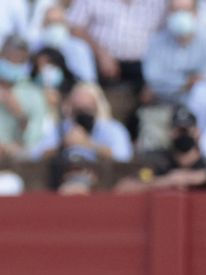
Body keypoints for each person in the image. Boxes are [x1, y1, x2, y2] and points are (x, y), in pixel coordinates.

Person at [115, 103, 206, 191]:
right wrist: (166, 181)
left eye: (187, 130)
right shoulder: (160, 166)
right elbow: (122, 188)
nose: (183, 134)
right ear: (171, 134)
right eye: (179, 130)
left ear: (197, 132)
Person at [31, 80, 131, 162]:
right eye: (78, 109)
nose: (83, 114)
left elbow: (123, 157)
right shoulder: (62, 129)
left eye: (87, 109)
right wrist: (62, 145)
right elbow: (35, 155)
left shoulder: (112, 129)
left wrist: (87, 144)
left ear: (97, 107)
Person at [142, 0, 206, 107]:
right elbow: (154, 79)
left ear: (196, 12)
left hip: (199, 109)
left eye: (185, 10)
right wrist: (186, 82)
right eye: (176, 10)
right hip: (163, 106)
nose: (180, 15)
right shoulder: (156, 42)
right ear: (168, 13)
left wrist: (170, 83)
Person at [0, 35, 50, 164]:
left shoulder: (34, 95)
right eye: (9, 57)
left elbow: (33, 142)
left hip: (13, 163)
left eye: (19, 60)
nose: (13, 62)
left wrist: (20, 114)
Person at [30, 4, 97, 85]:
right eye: (50, 23)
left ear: (65, 25)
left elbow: (88, 81)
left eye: (58, 23)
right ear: (43, 24)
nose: (54, 27)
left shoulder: (79, 48)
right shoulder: (35, 46)